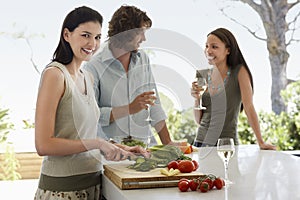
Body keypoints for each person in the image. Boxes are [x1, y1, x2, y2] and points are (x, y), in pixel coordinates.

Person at [34, 6, 149, 200]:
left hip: (94, 185)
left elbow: (84, 136)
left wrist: (120, 148)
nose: (92, 44)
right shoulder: (55, 74)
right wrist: (98, 142)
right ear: (67, 35)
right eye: (86, 35)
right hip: (62, 190)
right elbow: (44, 144)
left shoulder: (87, 77)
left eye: (97, 37)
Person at [84, 5, 172, 146]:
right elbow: (90, 115)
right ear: (126, 33)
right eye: (140, 33)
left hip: (145, 149)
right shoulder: (93, 66)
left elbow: (154, 105)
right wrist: (129, 108)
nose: (144, 38)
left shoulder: (143, 59)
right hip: (112, 153)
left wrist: (169, 144)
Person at [191, 27, 276, 150]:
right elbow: (199, 120)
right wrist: (196, 98)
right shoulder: (201, 75)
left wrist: (260, 142)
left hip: (226, 144)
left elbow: (249, 107)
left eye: (214, 47)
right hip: (200, 142)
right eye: (206, 46)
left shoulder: (239, 72)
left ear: (228, 50)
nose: (208, 51)